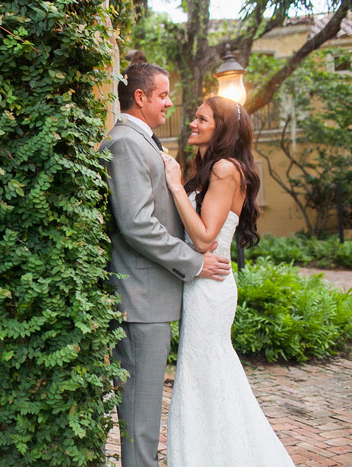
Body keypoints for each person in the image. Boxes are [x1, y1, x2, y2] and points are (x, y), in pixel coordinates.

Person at [100, 62, 231, 467]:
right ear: (139, 97)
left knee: (144, 413)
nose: (170, 103)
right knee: (139, 420)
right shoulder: (125, 142)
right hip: (140, 301)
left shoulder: (144, 141)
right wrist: (194, 262)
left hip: (150, 300)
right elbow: (137, 224)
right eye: (163, 95)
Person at [161, 96, 294, 466]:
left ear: (222, 130)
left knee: (206, 374)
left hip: (209, 287)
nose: (192, 122)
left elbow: (205, 238)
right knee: (206, 374)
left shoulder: (224, 169)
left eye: (202, 119)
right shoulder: (212, 167)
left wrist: (174, 184)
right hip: (201, 282)